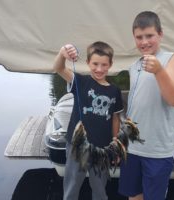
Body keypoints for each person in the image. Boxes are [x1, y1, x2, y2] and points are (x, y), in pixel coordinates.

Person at [118, 11, 174, 200]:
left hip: (157, 150)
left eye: (149, 36)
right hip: (132, 147)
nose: (144, 41)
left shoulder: (171, 59)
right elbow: (134, 108)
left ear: (160, 35)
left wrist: (158, 71)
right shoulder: (134, 66)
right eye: (139, 37)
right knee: (134, 196)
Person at [53, 41, 124, 200]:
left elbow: (115, 119)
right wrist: (62, 53)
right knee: (72, 186)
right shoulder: (80, 81)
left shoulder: (114, 91)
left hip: (102, 148)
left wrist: (116, 144)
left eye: (104, 65)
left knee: (99, 188)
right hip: (77, 147)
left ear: (110, 65)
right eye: (95, 64)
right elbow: (58, 68)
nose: (99, 69)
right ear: (87, 63)